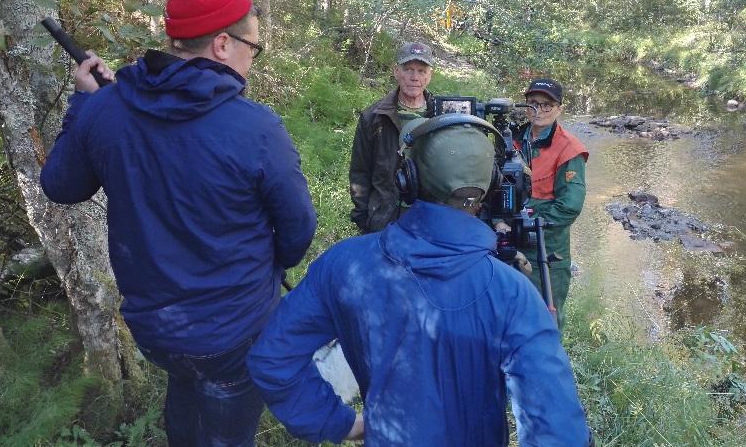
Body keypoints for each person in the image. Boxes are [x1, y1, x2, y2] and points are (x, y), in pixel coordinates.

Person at [40, 0, 317, 447]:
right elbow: (297, 230)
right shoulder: (255, 127)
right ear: (224, 45)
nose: (254, 56)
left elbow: (61, 186)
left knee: (186, 400)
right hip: (234, 331)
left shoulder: (107, 107)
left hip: (156, 331)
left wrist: (84, 103)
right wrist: (267, 267)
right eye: (254, 45)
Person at [248, 114, 591, 446]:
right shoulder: (513, 293)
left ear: (407, 180)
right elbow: (559, 431)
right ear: (493, 186)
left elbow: (273, 359)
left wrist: (340, 423)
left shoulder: (342, 264)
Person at [512, 78, 588, 330]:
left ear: (559, 109)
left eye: (547, 105)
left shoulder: (569, 148)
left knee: (547, 316)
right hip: (506, 238)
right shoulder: (508, 138)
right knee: (507, 310)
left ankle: (550, 366)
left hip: (547, 247)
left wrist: (532, 219)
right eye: (534, 103)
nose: (540, 110)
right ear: (525, 106)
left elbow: (569, 207)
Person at [348, 41, 434, 233]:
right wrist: (365, 218)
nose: (414, 77)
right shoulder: (374, 117)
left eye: (421, 71)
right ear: (396, 71)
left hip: (430, 222)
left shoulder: (441, 117)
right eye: (408, 69)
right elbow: (360, 171)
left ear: (430, 76)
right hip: (384, 220)